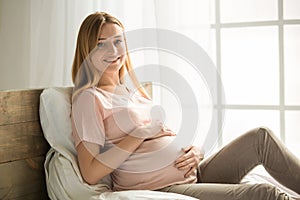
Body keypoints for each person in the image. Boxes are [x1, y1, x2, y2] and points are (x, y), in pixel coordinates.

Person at [71, 12, 300, 200]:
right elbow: (90, 173)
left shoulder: (132, 91)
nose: (113, 51)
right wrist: (140, 133)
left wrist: (194, 151)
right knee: (264, 194)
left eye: (118, 41)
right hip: (160, 187)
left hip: (193, 173)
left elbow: (162, 138)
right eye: (101, 45)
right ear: (87, 50)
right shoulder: (89, 99)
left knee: (262, 138)